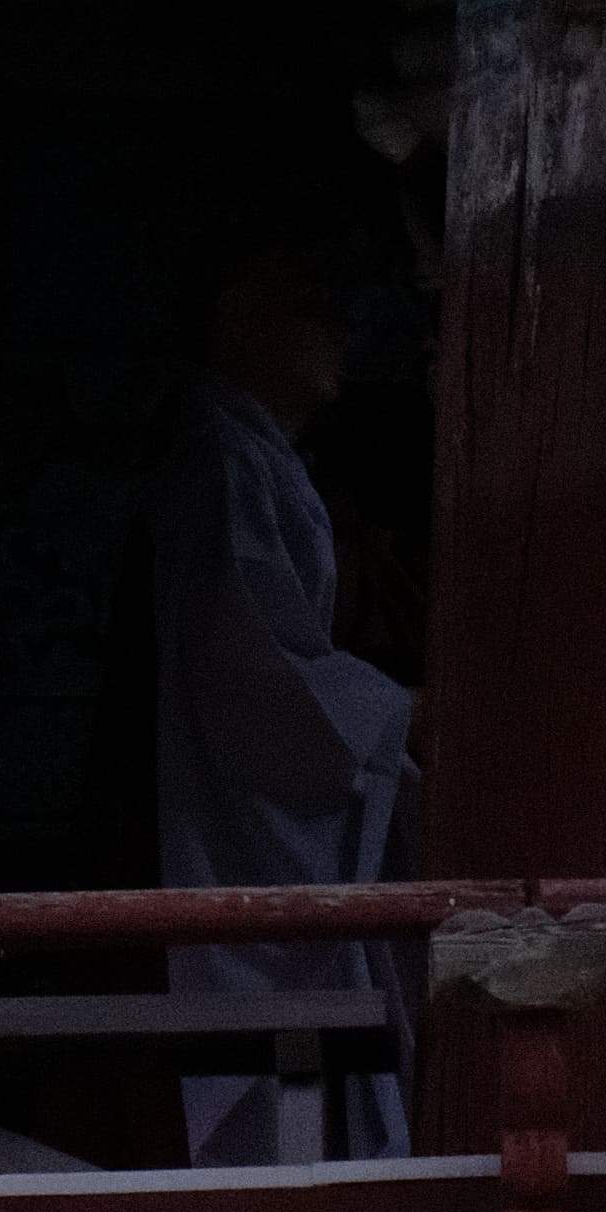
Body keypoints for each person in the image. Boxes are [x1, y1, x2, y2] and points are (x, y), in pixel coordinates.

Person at [151, 248, 421, 1164]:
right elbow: (251, 667)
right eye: (310, 304)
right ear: (236, 317)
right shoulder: (217, 452)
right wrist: (396, 722)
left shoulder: (251, 454)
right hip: (226, 826)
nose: (339, 330)